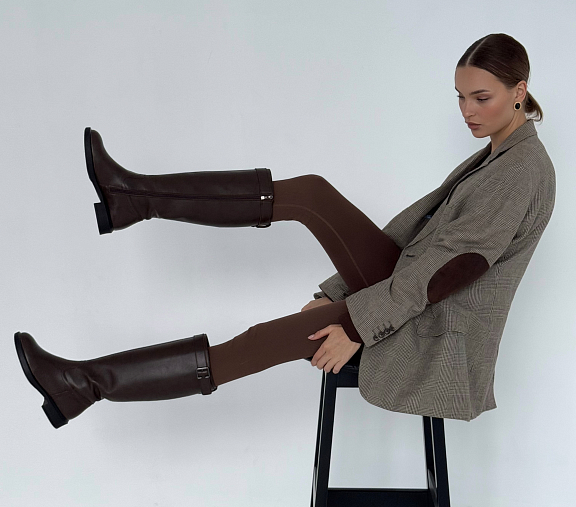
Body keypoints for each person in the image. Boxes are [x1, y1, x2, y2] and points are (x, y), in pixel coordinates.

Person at [14, 33, 556, 427]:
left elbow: (451, 270)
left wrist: (358, 326)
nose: (466, 110)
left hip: (428, 328)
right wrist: (337, 293)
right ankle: (133, 199)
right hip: (408, 296)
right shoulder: (499, 156)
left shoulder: (521, 170)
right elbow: (416, 244)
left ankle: (85, 384)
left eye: (480, 98)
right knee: (312, 194)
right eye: (460, 96)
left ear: (519, 90)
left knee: (261, 339)